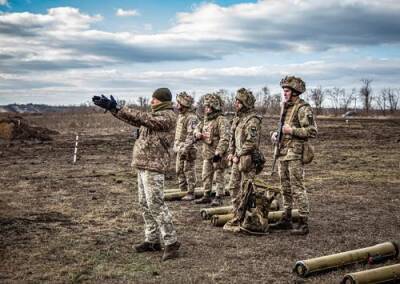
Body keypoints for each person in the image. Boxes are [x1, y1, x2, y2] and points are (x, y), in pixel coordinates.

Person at [92, 88, 180, 261]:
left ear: (162, 101)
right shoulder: (155, 115)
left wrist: (117, 106)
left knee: (156, 205)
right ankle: (152, 240)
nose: (151, 101)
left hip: (154, 166)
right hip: (143, 165)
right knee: (144, 204)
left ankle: (171, 242)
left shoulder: (168, 116)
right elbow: (134, 119)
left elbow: (142, 118)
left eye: (154, 99)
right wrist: (113, 109)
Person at [270, 76, 318, 235]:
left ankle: (303, 222)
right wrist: (277, 135)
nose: (284, 93)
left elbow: (312, 131)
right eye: (284, 90)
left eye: (287, 90)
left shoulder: (303, 108)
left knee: (297, 187)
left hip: (295, 153)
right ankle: (286, 218)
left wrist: (292, 131)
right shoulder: (285, 107)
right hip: (282, 152)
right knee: (285, 187)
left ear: (295, 92)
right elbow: (283, 129)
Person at [223, 88, 263, 231]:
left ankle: (248, 218)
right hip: (236, 159)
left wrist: (238, 154)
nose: (236, 104)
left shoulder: (252, 120)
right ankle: (237, 214)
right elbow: (232, 138)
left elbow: (252, 142)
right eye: (236, 101)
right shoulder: (238, 118)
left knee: (247, 190)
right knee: (233, 187)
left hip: (247, 160)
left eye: (239, 102)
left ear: (246, 103)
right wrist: (231, 152)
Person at [194, 93, 230, 206]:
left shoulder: (221, 120)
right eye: (205, 106)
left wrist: (219, 152)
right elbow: (196, 129)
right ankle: (206, 195)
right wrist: (198, 134)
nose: (206, 109)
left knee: (219, 175)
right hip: (206, 153)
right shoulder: (205, 120)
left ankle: (219, 196)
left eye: (208, 106)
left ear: (214, 107)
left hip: (217, 154)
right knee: (205, 175)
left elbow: (225, 138)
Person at [173, 92, 199, 201]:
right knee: (179, 170)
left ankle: (191, 192)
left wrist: (185, 149)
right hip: (180, 148)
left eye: (178, 103)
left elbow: (191, 135)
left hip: (188, 149)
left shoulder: (191, 117)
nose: (176, 104)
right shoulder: (181, 116)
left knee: (188, 170)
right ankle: (182, 190)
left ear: (183, 104)